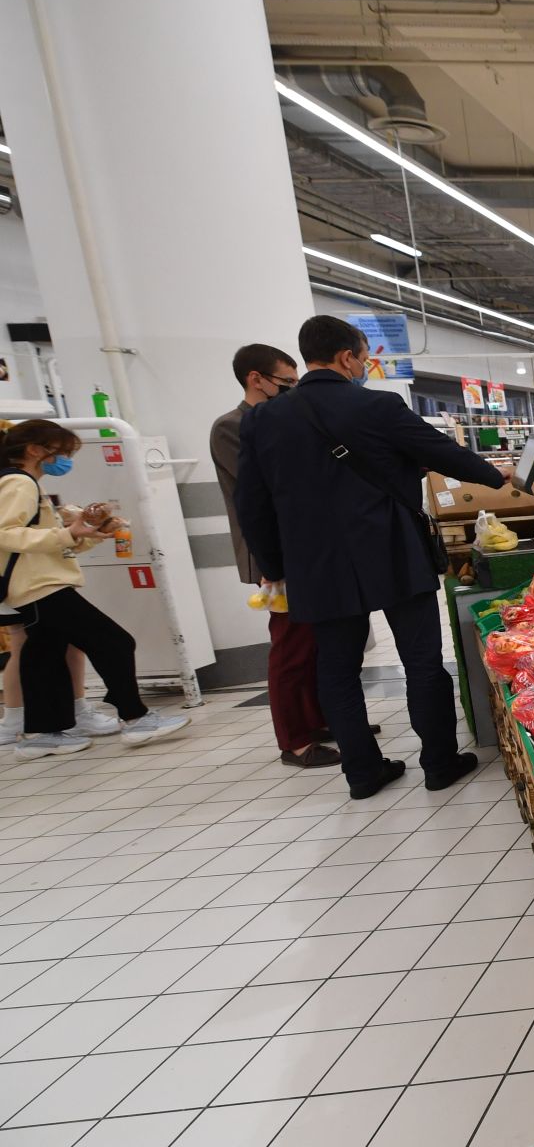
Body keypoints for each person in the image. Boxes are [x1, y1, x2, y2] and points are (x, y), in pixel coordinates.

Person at [236, 315, 507, 799]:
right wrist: (498, 477)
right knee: (422, 661)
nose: (364, 366)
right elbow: (440, 450)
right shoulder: (379, 406)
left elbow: (251, 504)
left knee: (335, 670)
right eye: (363, 358)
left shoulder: (265, 419)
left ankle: (362, 773)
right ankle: (439, 763)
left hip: (315, 565)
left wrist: (276, 568)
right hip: (393, 552)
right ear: (347, 357)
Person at [0, 420, 191, 758]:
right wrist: (70, 533)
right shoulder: (19, 482)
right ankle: (135, 717)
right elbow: (6, 534)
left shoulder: (27, 484)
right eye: (60, 452)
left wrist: (87, 533)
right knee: (113, 641)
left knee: (43, 655)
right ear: (34, 450)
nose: (64, 459)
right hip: (40, 586)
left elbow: (49, 542)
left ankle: (42, 733)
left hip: (39, 583)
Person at [211, 345, 338, 769]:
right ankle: (295, 741)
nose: (291, 390)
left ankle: (320, 721)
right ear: (256, 379)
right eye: (285, 382)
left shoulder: (277, 419)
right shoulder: (231, 427)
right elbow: (266, 490)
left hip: (303, 551)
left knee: (315, 645)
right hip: (273, 557)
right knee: (290, 648)